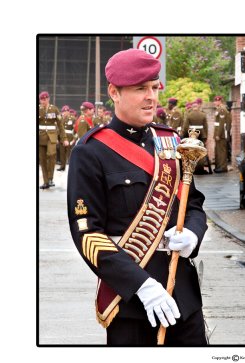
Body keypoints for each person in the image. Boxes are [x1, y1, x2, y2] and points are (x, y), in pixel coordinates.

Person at [67, 48, 208, 346]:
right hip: (131, 300)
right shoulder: (91, 152)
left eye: (154, 87)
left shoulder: (170, 142)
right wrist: (143, 286)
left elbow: (192, 204)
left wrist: (193, 236)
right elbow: (89, 235)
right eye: (140, 89)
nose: (151, 97)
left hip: (182, 292)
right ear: (114, 93)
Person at [39, 91, 68, 189]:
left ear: (48, 99)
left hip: (51, 137)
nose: (44, 101)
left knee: (51, 155)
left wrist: (64, 138)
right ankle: (46, 182)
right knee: (42, 160)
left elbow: (60, 125)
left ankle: (50, 178)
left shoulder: (54, 109)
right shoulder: (38, 109)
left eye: (45, 99)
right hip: (40, 137)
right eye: (42, 99)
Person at [182, 100, 209, 174]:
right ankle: (200, 168)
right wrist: (206, 136)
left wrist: (185, 135)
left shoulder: (189, 114)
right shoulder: (203, 114)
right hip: (202, 133)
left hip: (192, 133)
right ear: (198, 107)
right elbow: (206, 126)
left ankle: (193, 168)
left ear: (192, 107)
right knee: (201, 150)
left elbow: (186, 126)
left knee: (193, 151)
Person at [213, 95, 231, 173]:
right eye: (215, 101)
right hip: (218, 132)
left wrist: (218, 134)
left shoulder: (222, 109)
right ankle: (219, 166)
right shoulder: (219, 109)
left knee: (222, 151)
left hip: (221, 133)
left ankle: (223, 167)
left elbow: (221, 123)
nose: (216, 102)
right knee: (218, 150)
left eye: (218, 101)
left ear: (220, 101)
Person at [58, 105, 76, 171]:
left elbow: (75, 130)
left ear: (69, 112)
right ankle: (62, 167)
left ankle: (71, 168)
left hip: (70, 137)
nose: (65, 112)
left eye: (67, 111)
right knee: (62, 153)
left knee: (69, 153)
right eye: (64, 111)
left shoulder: (73, 118)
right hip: (62, 138)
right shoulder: (60, 119)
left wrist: (74, 139)